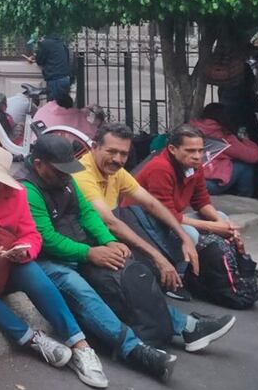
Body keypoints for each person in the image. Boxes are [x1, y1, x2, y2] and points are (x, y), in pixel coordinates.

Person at [23, 135, 236, 381]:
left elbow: (88, 214)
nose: (64, 176)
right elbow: (47, 238)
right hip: (47, 259)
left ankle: (185, 326)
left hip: (79, 246)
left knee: (128, 270)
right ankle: (133, 349)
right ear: (39, 165)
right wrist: (90, 253)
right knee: (80, 289)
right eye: (59, 171)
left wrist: (109, 241)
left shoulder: (66, 180)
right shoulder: (28, 190)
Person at [0, 142, 108, 388]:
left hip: (6, 265)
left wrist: (23, 251)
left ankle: (79, 344)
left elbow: (31, 234)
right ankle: (31, 339)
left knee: (33, 272)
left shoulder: (16, 193)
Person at [72, 123, 199, 296]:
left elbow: (152, 203)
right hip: (90, 238)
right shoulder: (83, 174)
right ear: (95, 147)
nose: (118, 159)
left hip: (112, 227)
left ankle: (173, 279)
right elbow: (110, 223)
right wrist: (158, 258)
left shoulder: (116, 171)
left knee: (183, 232)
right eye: (111, 151)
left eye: (124, 154)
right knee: (141, 269)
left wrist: (184, 238)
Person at [136, 125, 241, 246]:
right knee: (190, 233)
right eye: (190, 151)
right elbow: (166, 214)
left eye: (200, 150)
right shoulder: (160, 168)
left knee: (222, 216)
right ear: (172, 149)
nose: (197, 156)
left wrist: (223, 224)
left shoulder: (195, 165)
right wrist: (212, 226)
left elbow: (201, 201)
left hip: (172, 218)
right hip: (147, 222)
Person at [190, 103, 258, 197]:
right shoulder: (223, 136)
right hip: (208, 184)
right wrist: (245, 140)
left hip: (189, 180)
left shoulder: (192, 128)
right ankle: (245, 200)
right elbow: (254, 156)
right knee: (245, 167)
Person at [32, 93, 99, 138]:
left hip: (38, 149)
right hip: (66, 154)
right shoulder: (77, 117)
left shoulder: (43, 110)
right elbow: (93, 133)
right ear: (72, 105)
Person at [32, 33, 73, 101]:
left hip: (55, 80)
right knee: (64, 106)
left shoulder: (45, 43)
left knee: (53, 106)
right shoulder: (61, 43)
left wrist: (35, 57)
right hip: (65, 78)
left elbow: (39, 61)